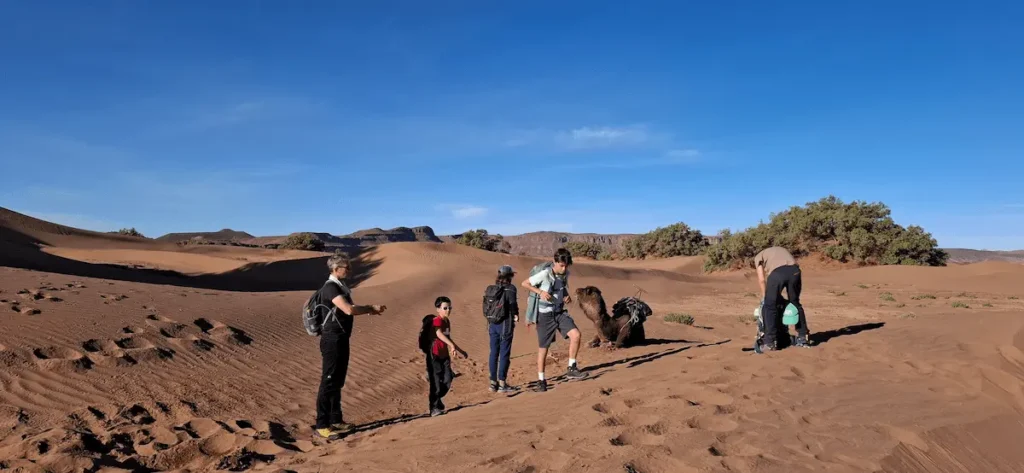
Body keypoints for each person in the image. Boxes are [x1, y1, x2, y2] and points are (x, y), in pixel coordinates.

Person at [315, 253, 387, 439]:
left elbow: (349, 308)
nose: (349, 270)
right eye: (346, 267)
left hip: (341, 338)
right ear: (335, 269)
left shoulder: (340, 286)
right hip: (332, 340)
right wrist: (370, 308)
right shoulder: (330, 287)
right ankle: (322, 425)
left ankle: (336, 420)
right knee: (329, 381)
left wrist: (368, 310)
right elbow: (348, 309)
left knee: (337, 381)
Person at [522, 248, 587, 392]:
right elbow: (524, 283)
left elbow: (562, 288)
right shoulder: (545, 274)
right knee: (543, 348)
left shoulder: (564, 274)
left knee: (576, 335)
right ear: (555, 262)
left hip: (559, 313)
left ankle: (572, 368)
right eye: (561, 265)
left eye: (566, 266)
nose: (564, 269)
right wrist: (540, 292)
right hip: (545, 316)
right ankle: (541, 381)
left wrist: (566, 296)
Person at [753, 246, 811, 353]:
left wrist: (766, 298)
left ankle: (770, 342)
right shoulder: (780, 249)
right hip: (795, 271)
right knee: (795, 303)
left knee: (769, 306)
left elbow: (761, 280)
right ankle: (803, 336)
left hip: (777, 274)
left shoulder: (758, 257)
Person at [427, 296, 467, 416]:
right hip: (435, 356)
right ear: (438, 309)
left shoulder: (447, 322)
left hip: (444, 356)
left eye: (450, 308)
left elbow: (448, 338)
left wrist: (459, 350)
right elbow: (439, 334)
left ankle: (437, 399)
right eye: (445, 308)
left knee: (448, 379)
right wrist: (451, 345)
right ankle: (434, 408)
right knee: (436, 383)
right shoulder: (437, 320)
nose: (448, 310)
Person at [488, 265, 520, 393]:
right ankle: (502, 384)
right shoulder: (511, 288)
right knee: (504, 353)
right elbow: (512, 305)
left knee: (493, 353)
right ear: (510, 276)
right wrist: (516, 315)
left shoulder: (492, 288)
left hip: (492, 324)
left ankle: (492, 383)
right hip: (505, 324)